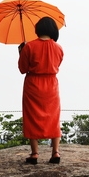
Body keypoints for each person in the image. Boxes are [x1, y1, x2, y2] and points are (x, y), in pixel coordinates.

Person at [18, 16, 64, 165]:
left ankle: (35, 153)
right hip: (51, 84)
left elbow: (23, 69)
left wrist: (21, 52)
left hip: (33, 84)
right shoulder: (58, 48)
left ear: (38, 29)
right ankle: (55, 152)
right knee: (53, 116)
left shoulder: (29, 47)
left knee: (32, 116)